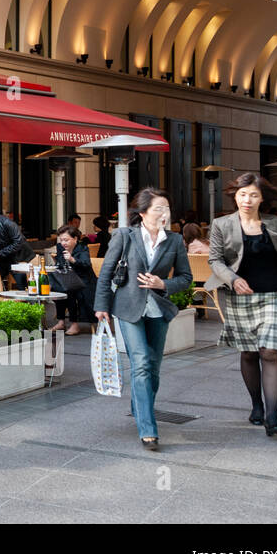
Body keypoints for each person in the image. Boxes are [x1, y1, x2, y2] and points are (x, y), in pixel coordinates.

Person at [208, 172, 277, 437]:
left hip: (275, 295)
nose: (247, 199)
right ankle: (256, 405)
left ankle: (272, 416)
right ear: (235, 196)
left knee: (270, 352)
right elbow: (215, 260)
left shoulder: (276, 223)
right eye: (243, 194)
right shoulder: (221, 224)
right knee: (248, 353)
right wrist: (233, 280)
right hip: (240, 297)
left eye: (253, 195)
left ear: (262, 198)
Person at [94, 187, 192, 451]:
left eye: (167, 209)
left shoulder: (173, 241)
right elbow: (106, 272)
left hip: (158, 309)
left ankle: (139, 406)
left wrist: (163, 284)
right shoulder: (125, 236)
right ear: (143, 212)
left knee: (154, 368)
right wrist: (101, 305)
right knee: (140, 363)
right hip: (128, 308)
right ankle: (148, 428)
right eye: (159, 208)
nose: (164, 214)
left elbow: (186, 278)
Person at [49, 225, 96, 334]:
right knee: (58, 289)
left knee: (71, 291)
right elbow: (60, 263)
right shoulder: (60, 247)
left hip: (83, 279)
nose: (63, 243)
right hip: (68, 277)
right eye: (61, 240)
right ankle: (61, 322)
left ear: (75, 239)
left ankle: (74, 324)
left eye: (66, 240)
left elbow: (86, 264)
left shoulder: (82, 247)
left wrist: (72, 259)